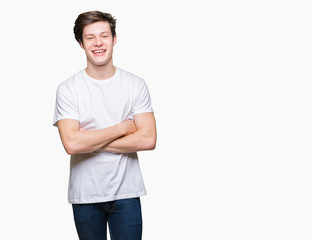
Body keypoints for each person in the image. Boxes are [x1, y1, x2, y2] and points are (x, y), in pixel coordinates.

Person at [53, 11, 156, 240]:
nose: (98, 43)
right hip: (85, 195)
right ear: (81, 43)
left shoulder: (135, 85)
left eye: (104, 36)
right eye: (90, 38)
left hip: (127, 194)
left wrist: (87, 140)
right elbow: (71, 144)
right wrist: (122, 128)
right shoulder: (68, 89)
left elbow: (148, 139)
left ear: (114, 39)